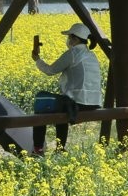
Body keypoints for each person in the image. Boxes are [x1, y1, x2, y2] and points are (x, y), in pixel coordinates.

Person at [30, 22, 103, 155]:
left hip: (77, 102)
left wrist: (37, 60)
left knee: (42, 101)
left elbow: (51, 70)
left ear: (74, 39)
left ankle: (38, 149)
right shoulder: (91, 55)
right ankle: (59, 148)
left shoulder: (73, 53)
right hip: (94, 103)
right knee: (61, 105)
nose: (68, 40)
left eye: (69, 37)